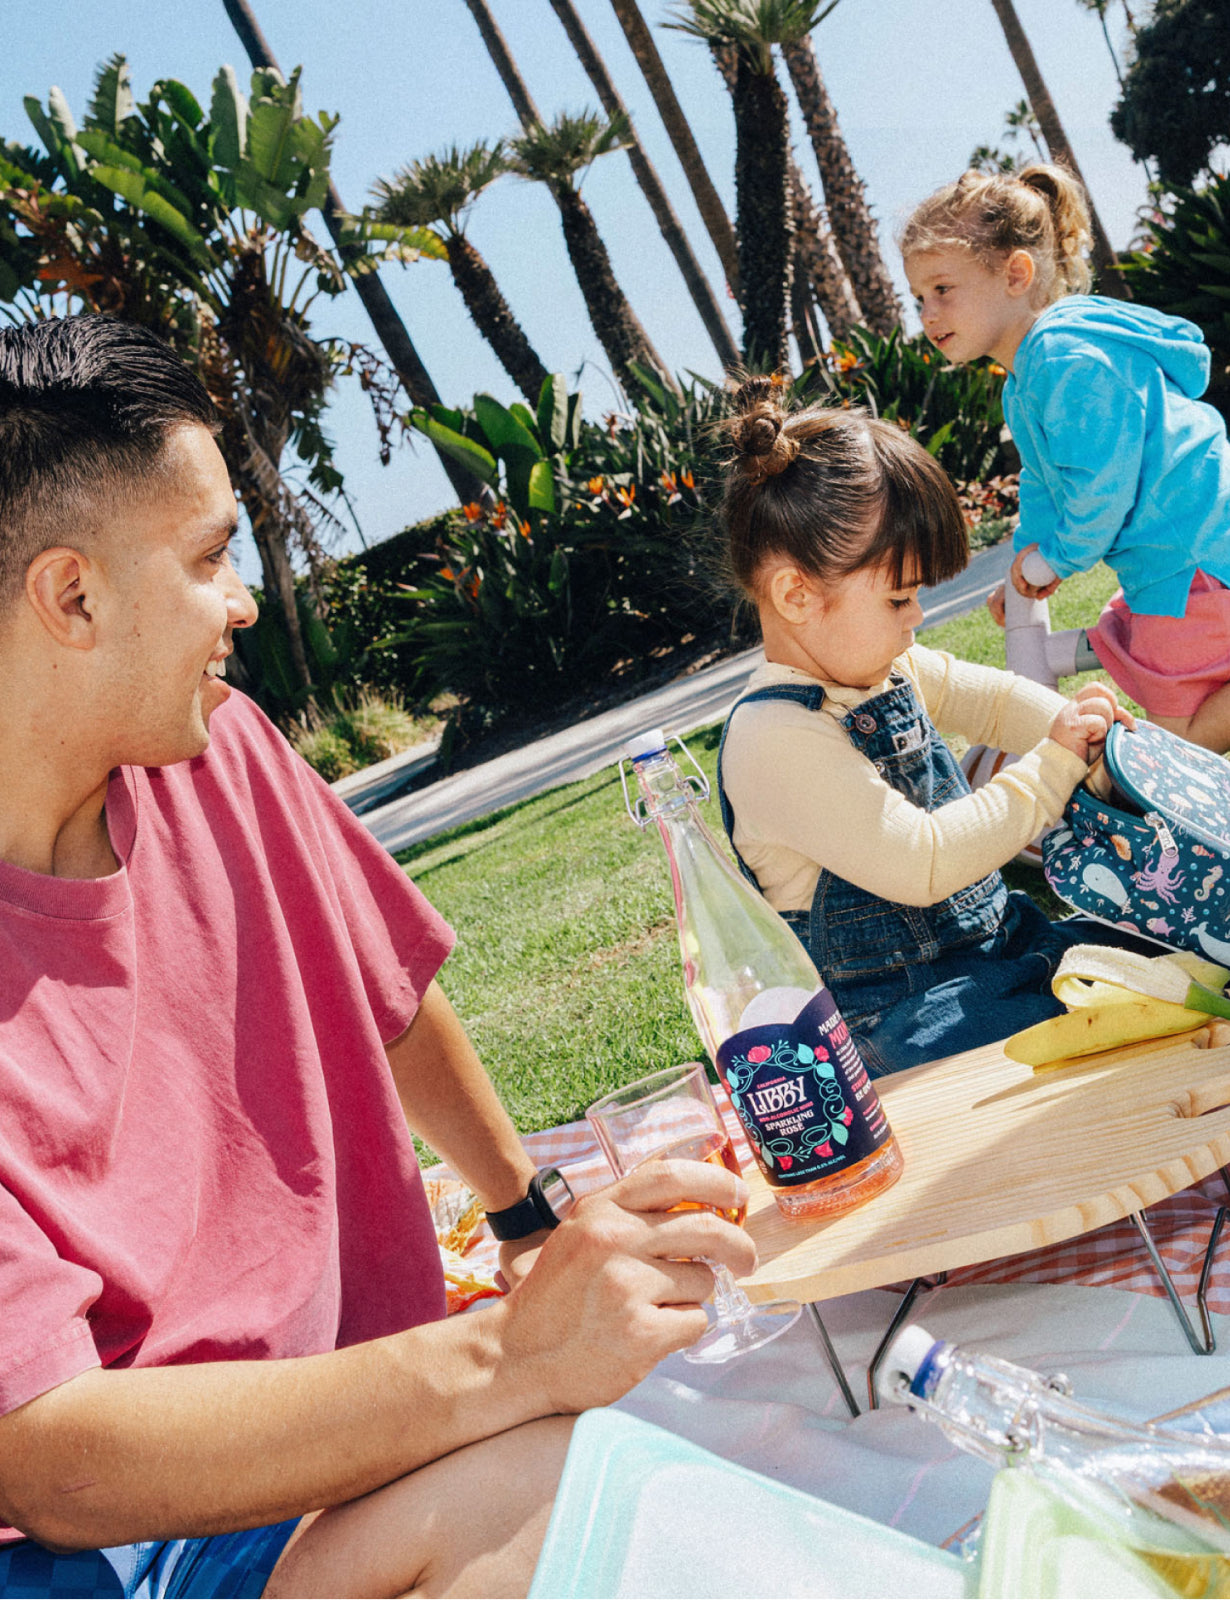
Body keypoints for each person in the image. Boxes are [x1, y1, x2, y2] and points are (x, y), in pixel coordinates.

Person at [0, 314, 754, 1600]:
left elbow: (388, 994)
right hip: (130, 1547)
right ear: (72, 595)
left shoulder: (222, 750)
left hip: (357, 1442)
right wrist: (512, 1356)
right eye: (209, 557)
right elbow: (51, 1461)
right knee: (573, 1489)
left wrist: (526, 1216)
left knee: (664, 1462)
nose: (244, 602)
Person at [715, 382, 1137, 1078]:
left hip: (999, 948)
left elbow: (998, 704)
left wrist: (1077, 730)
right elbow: (924, 861)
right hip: (905, 1021)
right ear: (796, 595)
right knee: (1095, 1040)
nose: (916, 619)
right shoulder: (775, 737)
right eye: (899, 597)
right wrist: (1056, 765)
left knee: (1161, 967)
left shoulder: (888, 668)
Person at [900, 163, 1230, 753]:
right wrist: (1025, 560)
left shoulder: (1063, 358)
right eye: (919, 297)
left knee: (1184, 732)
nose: (927, 314)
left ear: (1017, 274)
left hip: (1197, 552)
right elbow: (1046, 484)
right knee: (1177, 715)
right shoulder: (1028, 377)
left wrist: (1055, 561)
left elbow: (1105, 485)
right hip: (1183, 550)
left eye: (943, 289)